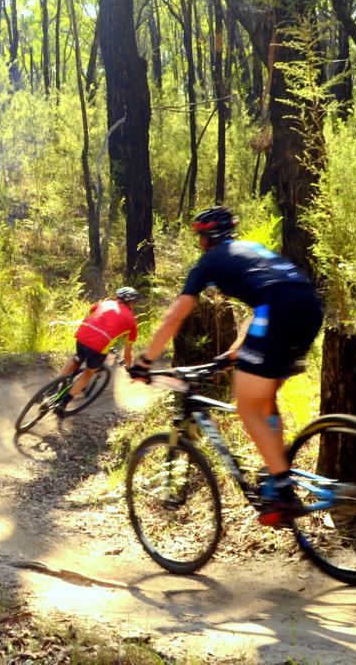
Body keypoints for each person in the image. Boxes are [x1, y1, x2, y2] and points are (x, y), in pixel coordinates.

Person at [129, 206, 323, 526]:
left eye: (200, 237)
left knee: (247, 407)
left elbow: (175, 316)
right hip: (309, 307)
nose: (200, 243)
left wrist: (146, 361)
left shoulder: (208, 263)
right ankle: (277, 471)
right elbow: (263, 306)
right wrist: (231, 355)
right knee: (265, 399)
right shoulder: (251, 249)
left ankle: (283, 491)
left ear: (206, 238)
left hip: (279, 313)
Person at [59, 286, 141, 410]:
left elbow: (92, 313)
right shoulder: (131, 321)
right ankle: (63, 404)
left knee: (77, 358)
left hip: (82, 334)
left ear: (118, 297)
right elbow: (127, 354)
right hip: (98, 346)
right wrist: (129, 369)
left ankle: (53, 387)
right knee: (88, 372)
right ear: (131, 303)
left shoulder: (105, 303)